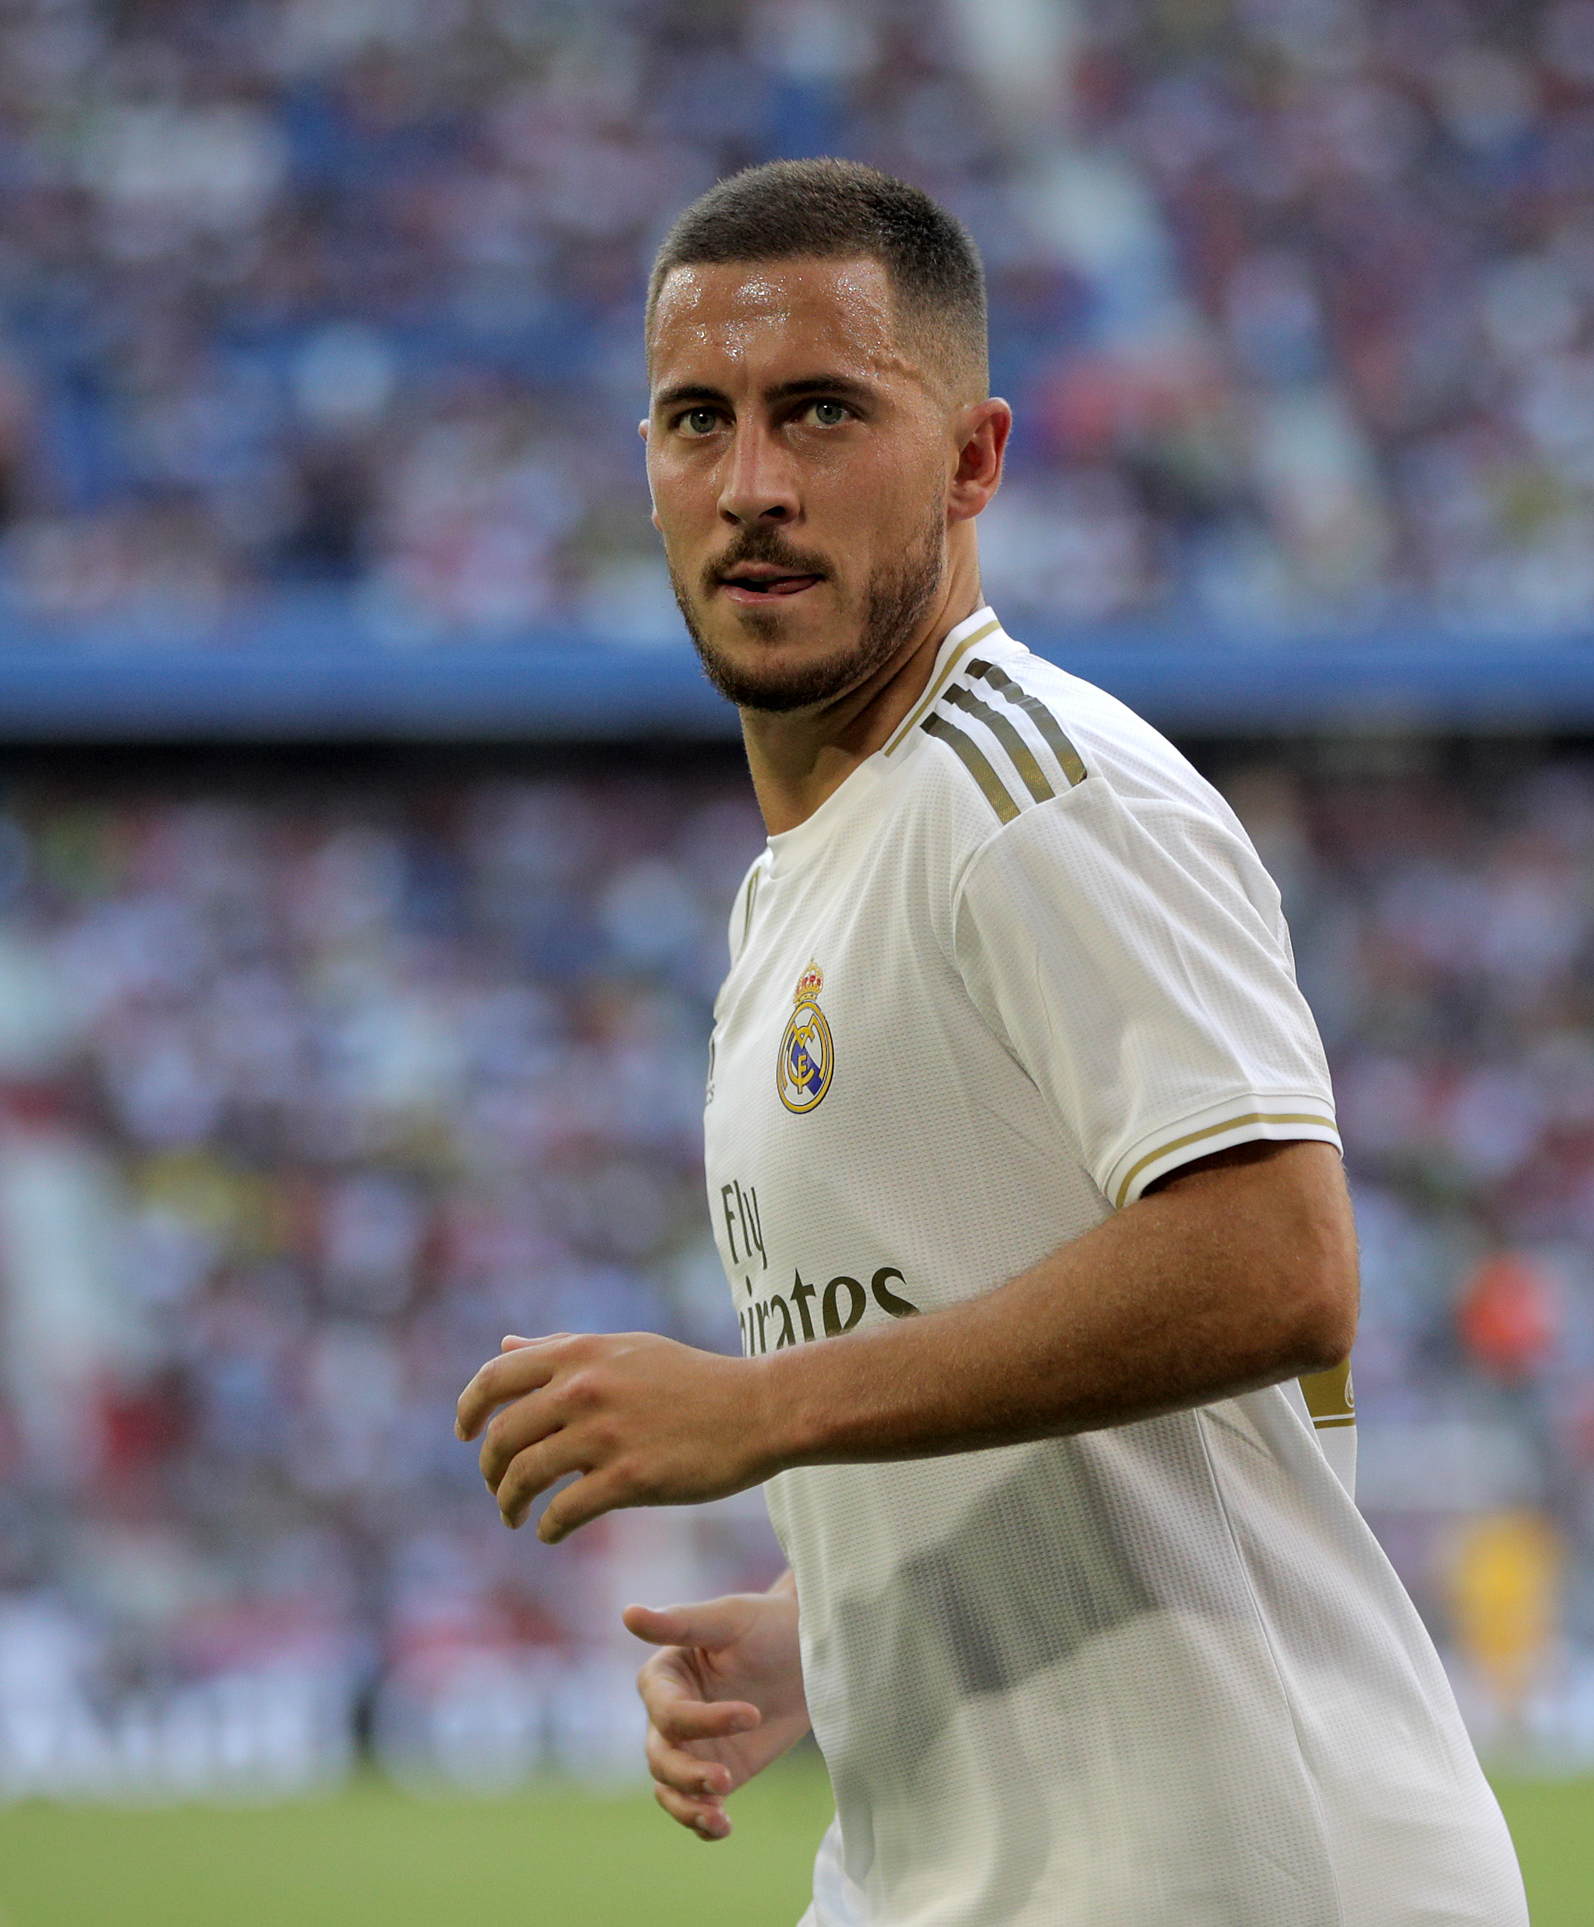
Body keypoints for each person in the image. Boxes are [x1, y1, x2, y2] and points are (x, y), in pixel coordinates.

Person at [456, 160, 1527, 1924]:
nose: (752, 486)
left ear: (973, 460)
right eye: (693, 420)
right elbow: (1015, 1348)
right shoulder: (795, 895)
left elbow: (1278, 1261)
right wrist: (848, 1630)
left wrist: (759, 1409)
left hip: (1237, 1878)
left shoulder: (1039, 793)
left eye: (821, 413)